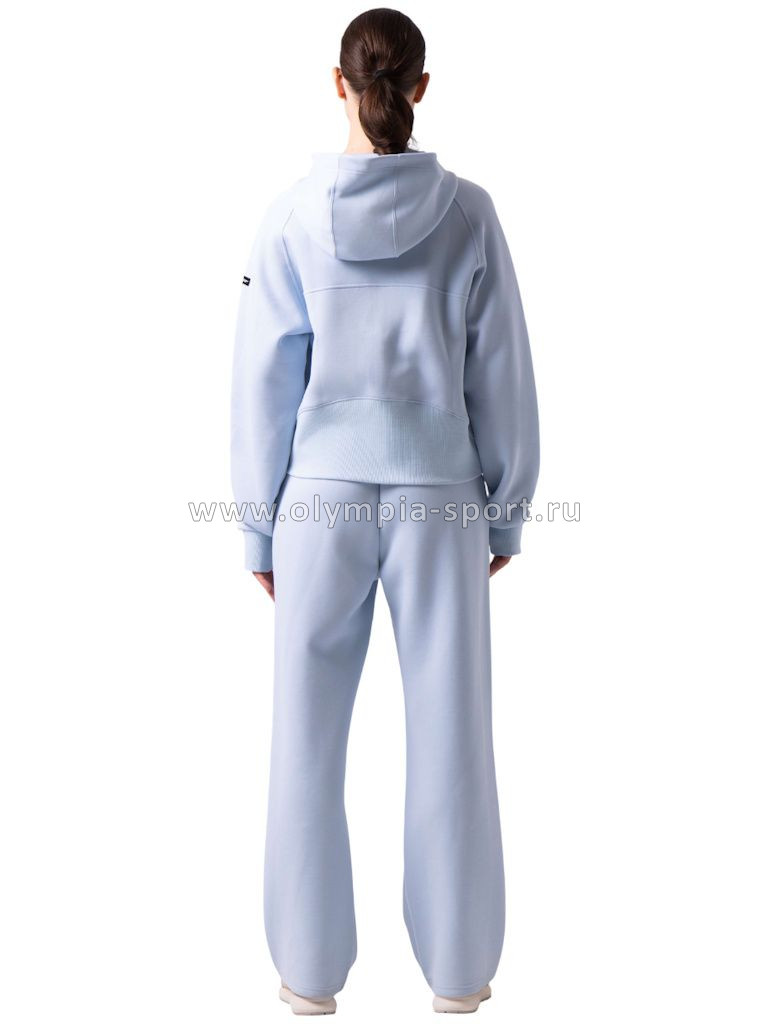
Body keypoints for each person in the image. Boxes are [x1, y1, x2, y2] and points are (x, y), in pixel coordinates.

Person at [230, 7, 539, 1015]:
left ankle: (307, 976)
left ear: (339, 85)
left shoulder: (288, 217)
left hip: (316, 506)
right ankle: (459, 974)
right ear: (420, 87)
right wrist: (505, 509)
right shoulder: (470, 215)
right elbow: (503, 373)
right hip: (441, 500)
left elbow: (262, 385)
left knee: (305, 739)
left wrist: (258, 524)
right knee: (453, 736)